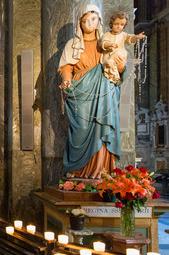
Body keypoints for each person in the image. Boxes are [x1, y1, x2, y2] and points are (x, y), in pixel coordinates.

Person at [59, 4, 127, 179]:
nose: (89, 23)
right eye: (85, 20)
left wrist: (120, 66)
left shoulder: (106, 42)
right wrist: (67, 79)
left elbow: (119, 69)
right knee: (81, 128)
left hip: (104, 89)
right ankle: (77, 169)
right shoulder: (73, 44)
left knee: (102, 127)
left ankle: (102, 171)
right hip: (81, 91)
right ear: (80, 24)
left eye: (93, 19)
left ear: (99, 21)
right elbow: (66, 66)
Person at [101, 11, 146, 83]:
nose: (119, 27)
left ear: (124, 26)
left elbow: (130, 39)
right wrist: (110, 44)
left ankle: (113, 74)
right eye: (116, 24)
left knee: (118, 53)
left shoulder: (124, 35)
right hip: (108, 55)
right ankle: (113, 76)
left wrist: (136, 37)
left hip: (119, 56)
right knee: (108, 63)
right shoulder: (106, 35)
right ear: (112, 24)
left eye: (122, 25)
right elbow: (104, 43)